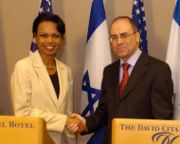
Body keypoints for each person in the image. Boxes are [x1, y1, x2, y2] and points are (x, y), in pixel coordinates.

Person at [66, 16, 174, 144]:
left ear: (137, 36)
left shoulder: (158, 70)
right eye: (114, 37)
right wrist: (84, 123)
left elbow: (162, 121)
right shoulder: (109, 71)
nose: (119, 42)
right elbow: (104, 111)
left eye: (124, 35)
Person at [11, 13, 79, 144]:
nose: (50, 41)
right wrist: (63, 121)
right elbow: (22, 113)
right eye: (43, 36)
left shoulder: (66, 71)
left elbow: (68, 112)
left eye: (55, 36)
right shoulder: (23, 67)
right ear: (35, 38)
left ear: (62, 40)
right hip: (34, 140)